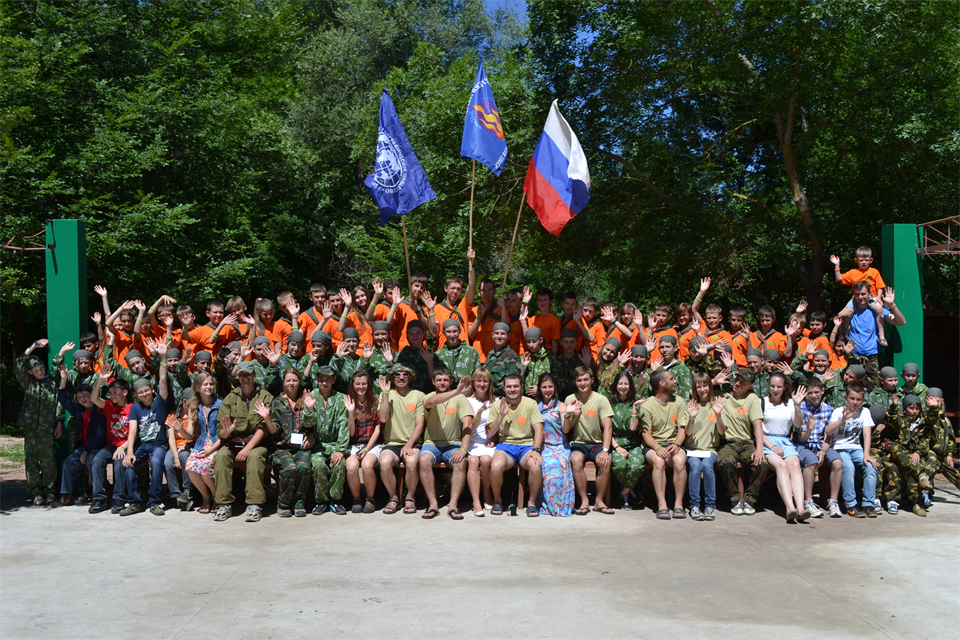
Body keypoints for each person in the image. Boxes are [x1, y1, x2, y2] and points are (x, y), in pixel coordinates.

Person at [213, 361, 273, 522]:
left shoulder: (264, 396)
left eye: (248, 374)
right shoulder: (230, 398)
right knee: (221, 457)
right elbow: (221, 430)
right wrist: (227, 431)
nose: (245, 377)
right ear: (237, 377)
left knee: (254, 457)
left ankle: (254, 504)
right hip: (234, 442)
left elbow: (263, 428)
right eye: (241, 375)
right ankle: (224, 503)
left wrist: (248, 448)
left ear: (254, 375)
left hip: (257, 443)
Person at [119, 343, 171, 516]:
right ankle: (134, 502)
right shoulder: (135, 408)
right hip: (143, 445)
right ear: (136, 395)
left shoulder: (160, 402)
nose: (144, 394)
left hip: (158, 445)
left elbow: (163, 380)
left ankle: (154, 501)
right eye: (140, 392)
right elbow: (132, 431)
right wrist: (129, 452)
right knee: (129, 464)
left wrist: (162, 357)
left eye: (146, 391)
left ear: (152, 390)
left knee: (156, 463)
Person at [419, 368, 474, 520]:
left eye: (445, 380)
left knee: (460, 463)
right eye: (439, 380)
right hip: (432, 443)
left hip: (453, 444)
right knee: (424, 460)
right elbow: (432, 402)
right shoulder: (428, 397)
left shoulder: (460, 399)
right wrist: (457, 391)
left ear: (450, 381)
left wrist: (463, 449)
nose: (442, 383)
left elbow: (467, 423)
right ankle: (433, 504)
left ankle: (453, 505)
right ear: (433, 381)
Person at [487, 373, 544, 516]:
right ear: (504, 388)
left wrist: (536, 450)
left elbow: (538, 428)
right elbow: (489, 433)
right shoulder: (497, 405)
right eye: (509, 386)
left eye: (516, 386)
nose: (512, 389)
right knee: (495, 465)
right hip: (505, 446)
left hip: (526, 446)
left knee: (535, 465)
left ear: (521, 387)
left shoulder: (530, 403)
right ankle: (498, 501)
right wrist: (501, 416)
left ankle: (531, 503)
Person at [261, 368, 315, 518]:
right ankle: (283, 503)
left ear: (299, 382)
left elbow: (312, 425)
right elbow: (274, 432)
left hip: (300, 448)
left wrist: (311, 434)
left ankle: (298, 504)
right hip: (280, 448)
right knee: (290, 468)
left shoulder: (305, 399)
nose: (291, 383)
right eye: (288, 380)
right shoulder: (278, 402)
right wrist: (267, 419)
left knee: (304, 467)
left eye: (295, 380)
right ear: (284, 383)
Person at [15, 340, 63, 506]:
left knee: (48, 461)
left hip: (46, 429)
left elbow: (58, 403)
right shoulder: (28, 384)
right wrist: (34, 346)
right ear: (30, 372)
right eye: (36, 370)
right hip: (30, 429)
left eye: (41, 368)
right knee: (32, 461)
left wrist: (59, 423)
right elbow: (19, 363)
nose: (40, 372)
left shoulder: (51, 383)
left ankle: (50, 491)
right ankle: (36, 493)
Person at [564, 366, 615, 515]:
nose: (583, 383)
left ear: (592, 380)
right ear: (575, 382)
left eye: (586, 379)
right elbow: (566, 430)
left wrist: (605, 450)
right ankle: (584, 500)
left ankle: (599, 501)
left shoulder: (600, 399)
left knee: (606, 461)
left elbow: (608, 427)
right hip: (578, 443)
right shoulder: (570, 399)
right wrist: (571, 414)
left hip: (597, 443)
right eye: (579, 380)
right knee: (575, 460)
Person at [52, 369, 106, 508]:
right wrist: (63, 379)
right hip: (83, 447)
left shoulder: (100, 410)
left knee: (91, 460)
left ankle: (99, 495)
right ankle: (67, 495)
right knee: (68, 463)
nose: (82, 399)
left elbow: (100, 435)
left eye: (85, 396)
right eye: (79, 397)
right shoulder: (79, 409)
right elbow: (64, 398)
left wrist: (86, 450)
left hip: (97, 446)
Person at [761, 373, 810, 522]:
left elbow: (797, 424)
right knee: (781, 466)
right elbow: (756, 430)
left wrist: (797, 405)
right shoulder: (761, 402)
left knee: (795, 464)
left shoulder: (789, 403)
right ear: (769, 386)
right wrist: (772, 446)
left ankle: (801, 509)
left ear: (784, 388)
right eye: (773, 386)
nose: (775, 389)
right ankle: (790, 508)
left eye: (779, 387)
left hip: (785, 440)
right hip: (767, 441)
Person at [640, 369, 689, 519]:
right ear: (662, 383)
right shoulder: (647, 405)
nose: (675, 381)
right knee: (658, 461)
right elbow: (645, 434)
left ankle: (678, 504)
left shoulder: (679, 401)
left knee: (679, 460)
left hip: (673, 442)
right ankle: (662, 505)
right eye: (671, 379)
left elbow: (682, 428)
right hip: (653, 444)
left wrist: (677, 444)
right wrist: (657, 447)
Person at [377, 365, 426, 515]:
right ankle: (393, 497)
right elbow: (383, 418)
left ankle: (410, 497)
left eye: (405, 374)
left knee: (411, 462)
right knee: (384, 462)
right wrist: (385, 394)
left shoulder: (419, 395)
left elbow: (420, 424)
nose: (401, 377)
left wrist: (409, 444)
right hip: (391, 443)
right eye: (397, 375)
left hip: (412, 442)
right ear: (393, 378)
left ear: (410, 378)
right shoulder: (386, 394)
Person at [825, 384, 880, 517]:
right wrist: (843, 419)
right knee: (848, 466)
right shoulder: (838, 411)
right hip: (839, 448)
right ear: (846, 397)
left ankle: (868, 503)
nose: (855, 403)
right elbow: (828, 431)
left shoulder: (864, 412)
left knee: (871, 466)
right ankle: (851, 504)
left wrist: (867, 454)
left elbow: (867, 434)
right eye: (852, 399)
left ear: (863, 400)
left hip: (856, 449)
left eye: (858, 400)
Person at [717, 370, 767, 515]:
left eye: (742, 382)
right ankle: (735, 498)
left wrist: (759, 449)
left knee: (762, 463)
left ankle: (750, 499)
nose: (737, 384)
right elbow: (695, 392)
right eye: (737, 379)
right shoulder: (723, 395)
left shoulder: (752, 398)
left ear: (750, 386)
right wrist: (714, 382)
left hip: (746, 443)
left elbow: (757, 425)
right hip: (727, 443)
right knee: (726, 462)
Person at [304, 365, 349, 514]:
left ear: (333, 380)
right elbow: (306, 424)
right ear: (316, 380)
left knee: (339, 464)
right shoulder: (311, 397)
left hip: (335, 444)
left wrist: (340, 450)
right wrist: (310, 409)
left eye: (328, 379)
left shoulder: (340, 398)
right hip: (318, 445)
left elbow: (344, 425)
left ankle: (335, 500)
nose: (324, 383)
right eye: (321, 379)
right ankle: (321, 501)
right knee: (318, 465)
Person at [795, 377, 842, 518]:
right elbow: (801, 437)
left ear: (822, 391)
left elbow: (828, 436)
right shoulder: (801, 408)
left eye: (816, 392)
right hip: (804, 445)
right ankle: (808, 501)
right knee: (811, 461)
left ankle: (833, 502)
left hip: (822, 445)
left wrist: (823, 451)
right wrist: (809, 430)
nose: (814, 396)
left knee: (837, 462)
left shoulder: (829, 410)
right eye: (810, 393)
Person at [887, 393, 938, 516]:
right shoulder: (901, 419)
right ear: (905, 408)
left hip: (915, 454)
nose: (914, 411)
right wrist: (894, 406)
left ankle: (916, 503)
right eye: (911, 408)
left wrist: (917, 452)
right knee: (897, 448)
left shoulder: (923, 423)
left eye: (917, 408)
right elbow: (891, 418)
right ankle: (921, 474)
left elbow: (924, 441)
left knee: (912, 468)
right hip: (902, 453)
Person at [684, 372, 725, 521]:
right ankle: (694, 506)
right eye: (698, 387)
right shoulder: (691, 405)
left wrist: (718, 414)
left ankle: (709, 506)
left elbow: (721, 431)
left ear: (710, 386)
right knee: (695, 467)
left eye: (705, 386)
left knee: (707, 467)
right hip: (692, 449)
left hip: (710, 449)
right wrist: (692, 417)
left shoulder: (716, 404)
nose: (702, 390)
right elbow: (687, 433)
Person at [536, 373, 575, 516]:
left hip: (560, 445)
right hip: (544, 446)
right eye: (544, 387)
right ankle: (548, 503)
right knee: (546, 463)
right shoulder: (536, 406)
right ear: (540, 388)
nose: (547, 390)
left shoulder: (561, 405)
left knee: (561, 461)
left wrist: (567, 414)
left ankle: (562, 505)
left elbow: (565, 429)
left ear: (555, 387)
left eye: (550, 386)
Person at [344, 369, 382, 514]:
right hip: (354, 444)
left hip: (372, 444)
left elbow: (378, 429)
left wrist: (367, 449)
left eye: (364, 384)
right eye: (358, 384)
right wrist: (350, 412)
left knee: (367, 465)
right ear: (353, 385)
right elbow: (351, 432)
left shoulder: (375, 401)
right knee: (352, 466)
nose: (361, 387)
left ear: (369, 385)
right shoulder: (348, 402)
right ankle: (356, 499)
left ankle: (370, 498)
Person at [183, 372, 222, 514]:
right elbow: (189, 434)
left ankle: (216, 496)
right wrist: (179, 428)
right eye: (205, 384)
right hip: (201, 445)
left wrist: (210, 450)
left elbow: (223, 435)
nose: (209, 387)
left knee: (205, 467)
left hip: (216, 444)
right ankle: (205, 497)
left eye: (211, 384)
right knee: (191, 466)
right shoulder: (194, 406)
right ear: (198, 387)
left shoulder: (220, 405)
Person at [609, 371, 645, 510]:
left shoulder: (636, 402)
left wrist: (635, 408)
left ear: (630, 385)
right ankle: (631, 490)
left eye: (626, 383)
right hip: (615, 443)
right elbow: (605, 429)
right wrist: (617, 447)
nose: (623, 387)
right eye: (620, 383)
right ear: (615, 385)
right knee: (619, 465)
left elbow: (632, 428)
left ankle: (625, 492)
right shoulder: (609, 403)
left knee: (636, 466)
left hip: (633, 444)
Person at [466, 368, 497, 517]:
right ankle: (476, 501)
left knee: (485, 460)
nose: (482, 384)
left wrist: (494, 440)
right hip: (471, 441)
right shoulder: (467, 401)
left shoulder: (496, 401)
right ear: (473, 382)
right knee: (472, 461)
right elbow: (471, 427)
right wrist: (479, 412)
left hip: (488, 443)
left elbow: (499, 426)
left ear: (489, 383)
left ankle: (487, 494)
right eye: (478, 380)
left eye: (485, 380)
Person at [163, 386, 196, 511]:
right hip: (176, 446)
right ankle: (176, 495)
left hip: (190, 446)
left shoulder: (194, 415)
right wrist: (175, 456)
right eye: (193, 402)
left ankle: (187, 490)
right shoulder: (172, 416)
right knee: (167, 461)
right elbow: (171, 438)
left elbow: (193, 435)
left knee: (184, 457)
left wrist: (185, 447)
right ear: (184, 402)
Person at [867, 403, 902, 515]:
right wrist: (877, 431)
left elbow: (893, 439)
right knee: (877, 466)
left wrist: (888, 446)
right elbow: (868, 443)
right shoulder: (867, 425)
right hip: (871, 452)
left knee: (892, 467)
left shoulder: (889, 426)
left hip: (884, 452)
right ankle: (875, 497)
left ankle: (892, 499)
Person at [520, 327, 560, 396]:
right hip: (526, 399)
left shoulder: (550, 358)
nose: (531, 345)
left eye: (534, 341)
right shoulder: (524, 358)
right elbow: (515, 381)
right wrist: (523, 367)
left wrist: (540, 390)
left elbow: (559, 382)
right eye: (528, 342)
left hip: (544, 399)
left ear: (541, 340)